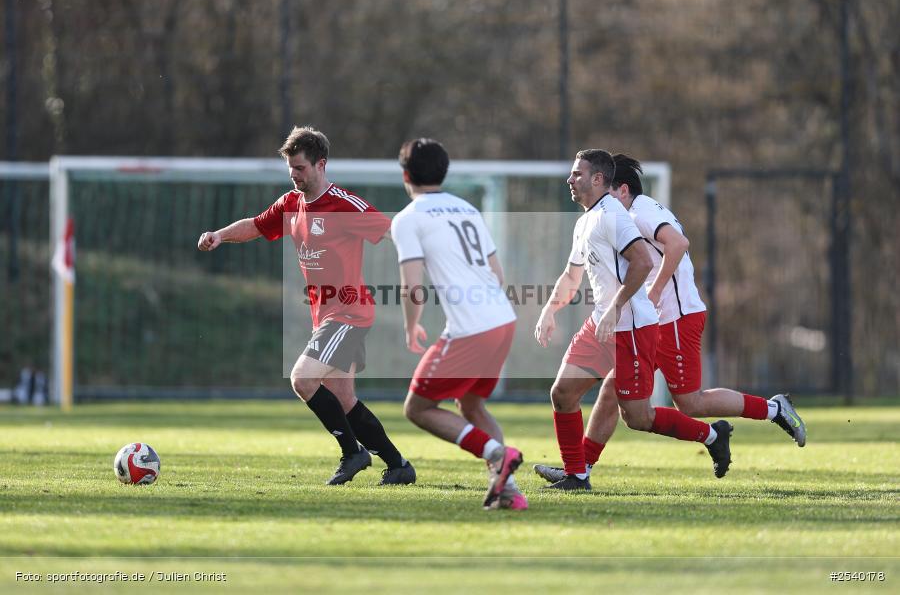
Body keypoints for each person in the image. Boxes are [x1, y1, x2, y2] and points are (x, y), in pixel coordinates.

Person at [534, 154, 806, 485]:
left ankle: (765, 413)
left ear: (618, 188)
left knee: (685, 403)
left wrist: (651, 293)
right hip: (638, 319)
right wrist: (550, 309)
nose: (571, 180)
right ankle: (579, 469)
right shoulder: (597, 219)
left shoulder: (635, 213)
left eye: (579, 175)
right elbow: (574, 273)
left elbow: (675, 245)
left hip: (672, 317)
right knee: (603, 392)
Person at [198, 126, 415, 486]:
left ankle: (353, 453)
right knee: (344, 399)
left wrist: (426, 258)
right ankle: (398, 466)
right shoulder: (291, 203)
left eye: (300, 168)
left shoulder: (344, 204)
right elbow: (256, 225)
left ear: (321, 164)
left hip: (349, 313)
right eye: (291, 170)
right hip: (325, 316)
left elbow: (392, 230)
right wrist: (220, 235)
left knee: (302, 378)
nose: (294, 176)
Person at [391, 138, 525, 510]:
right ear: (443, 172)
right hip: (503, 320)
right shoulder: (467, 208)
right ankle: (509, 491)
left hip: (471, 330)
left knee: (418, 408)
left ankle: (497, 454)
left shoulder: (408, 218)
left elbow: (412, 287)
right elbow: (497, 274)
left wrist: (411, 326)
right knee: (472, 405)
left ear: (405, 175)